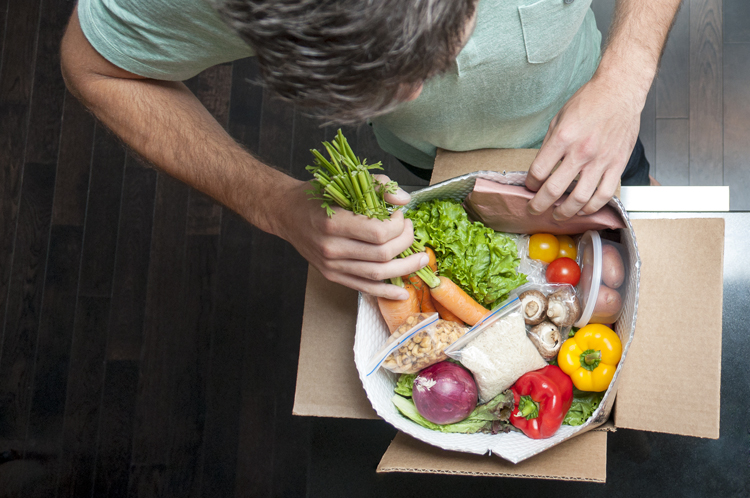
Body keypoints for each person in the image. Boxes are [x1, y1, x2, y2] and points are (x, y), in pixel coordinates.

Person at [60, 0, 681, 300]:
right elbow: (96, 70)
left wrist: (625, 74)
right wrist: (274, 205)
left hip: (589, 122)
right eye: (375, 93)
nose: (416, 92)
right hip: (418, 164)